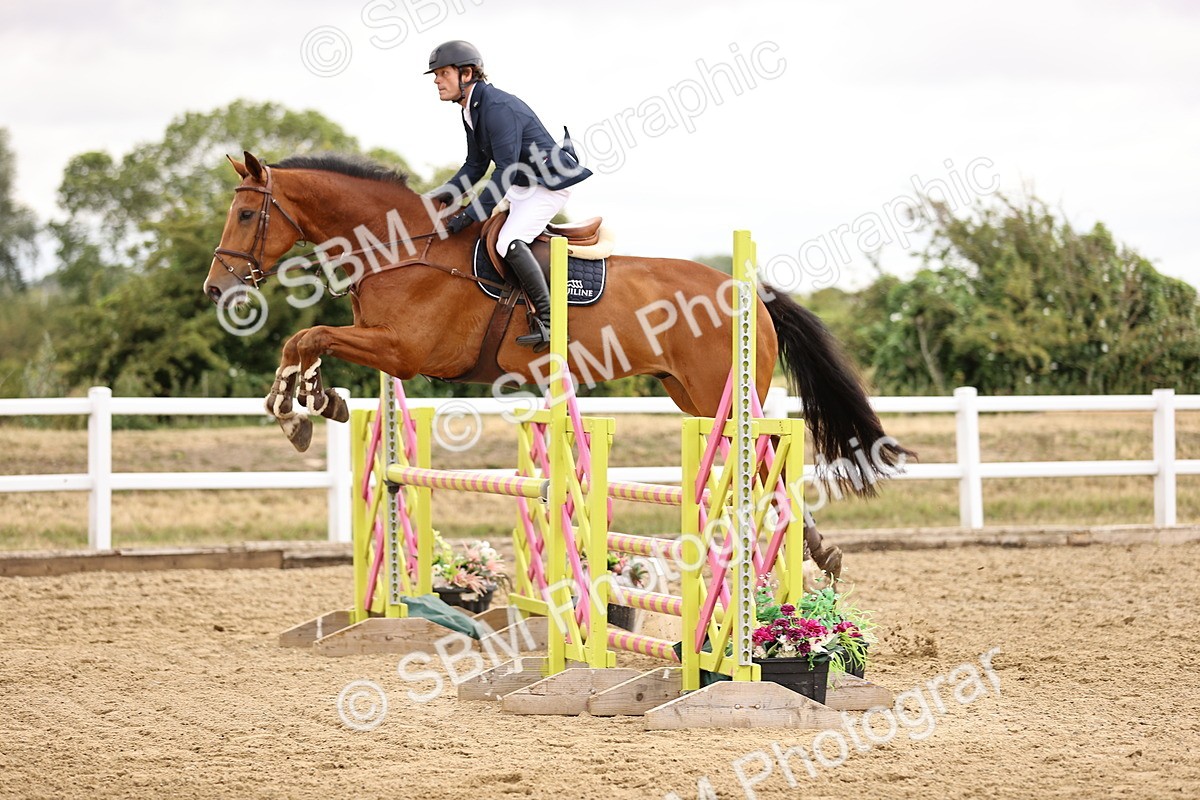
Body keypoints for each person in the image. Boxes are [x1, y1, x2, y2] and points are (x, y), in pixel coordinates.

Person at [423, 40, 592, 351]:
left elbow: (505, 170)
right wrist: (436, 199)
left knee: (507, 241)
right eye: (435, 74)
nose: (436, 80)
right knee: (482, 236)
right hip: (522, 184)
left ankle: (550, 321)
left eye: (442, 73)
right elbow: (475, 165)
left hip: (546, 185)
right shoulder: (471, 109)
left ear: (466, 74)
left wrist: (470, 214)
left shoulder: (497, 108)